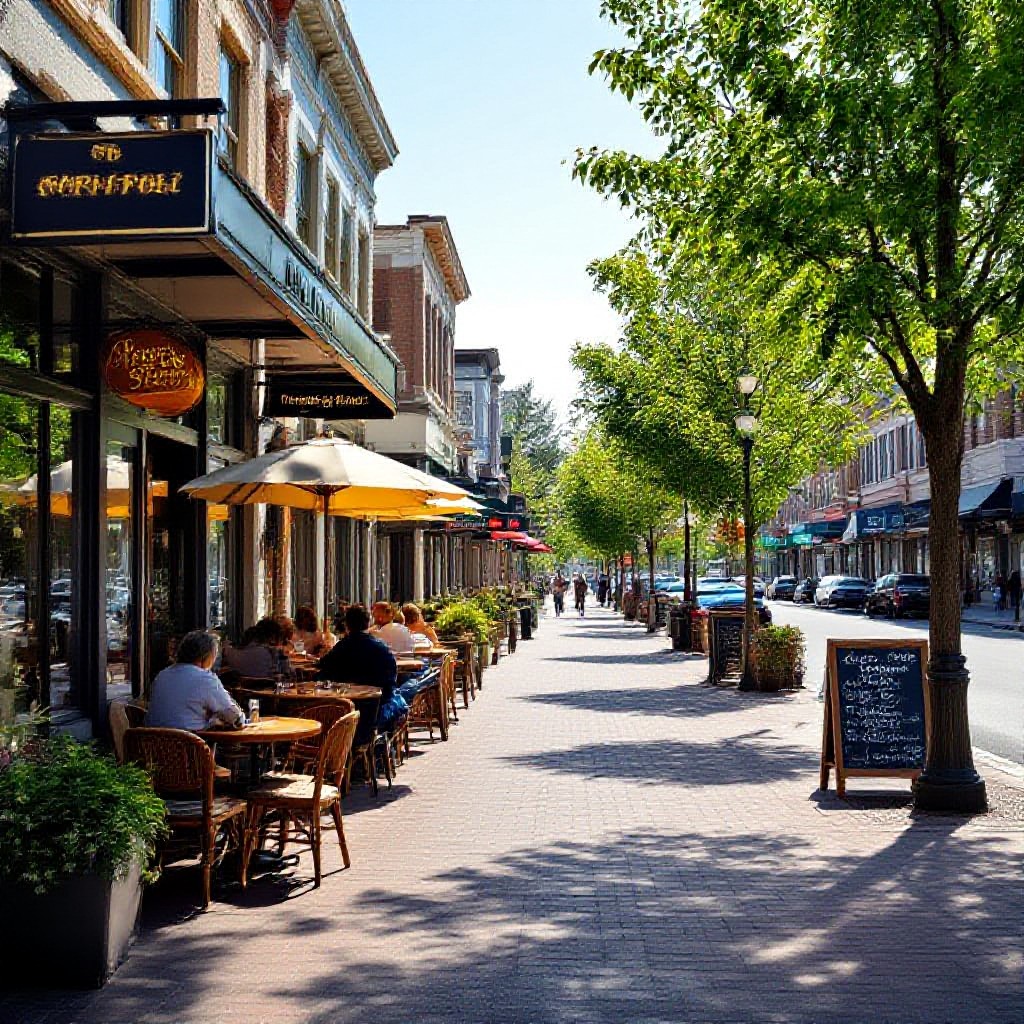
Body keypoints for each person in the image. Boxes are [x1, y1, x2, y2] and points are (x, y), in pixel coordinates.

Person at [318, 604, 406, 732]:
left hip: (343, 713)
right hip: (375, 711)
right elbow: (391, 680)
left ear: (347, 624)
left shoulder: (340, 648)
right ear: (368, 622)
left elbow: (323, 670)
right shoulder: (381, 649)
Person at [146, 630, 244, 731]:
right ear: (206, 656)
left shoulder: (162, 675)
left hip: (150, 744)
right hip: (190, 745)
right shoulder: (205, 679)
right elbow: (236, 719)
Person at [221, 617, 288, 678]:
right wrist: (283, 657)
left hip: (243, 689)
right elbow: (287, 675)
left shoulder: (233, 654)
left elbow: (226, 648)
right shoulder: (270, 654)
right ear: (272, 638)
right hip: (267, 688)